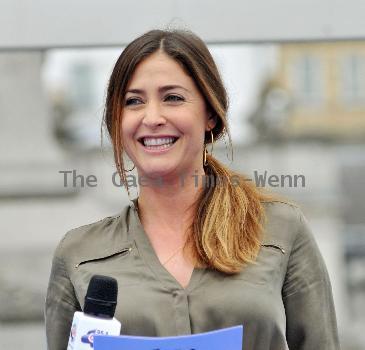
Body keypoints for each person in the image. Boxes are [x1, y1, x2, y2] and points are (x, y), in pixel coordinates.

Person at [45, 29, 340, 350]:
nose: (152, 117)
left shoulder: (281, 230)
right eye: (133, 101)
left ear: (210, 114)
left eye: (173, 97)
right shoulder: (78, 253)